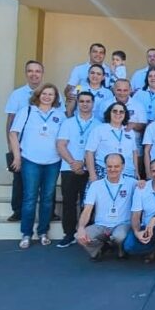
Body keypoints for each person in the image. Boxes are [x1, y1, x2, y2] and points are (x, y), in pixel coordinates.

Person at [8, 83, 64, 249]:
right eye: (44, 93)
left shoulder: (60, 115)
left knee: (47, 198)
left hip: (53, 162)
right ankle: (26, 233)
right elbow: (13, 133)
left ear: (55, 98)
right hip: (30, 160)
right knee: (30, 197)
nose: (47, 97)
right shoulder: (27, 111)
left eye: (51, 94)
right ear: (38, 95)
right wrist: (17, 157)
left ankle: (43, 232)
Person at [4, 60, 48, 222]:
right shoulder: (17, 94)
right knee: (19, 180)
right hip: (22, 146)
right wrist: (11, 146)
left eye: (37, 71)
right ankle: (18, 210)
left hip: (46, 147)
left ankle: (48, 212)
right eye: (30, 71)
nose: (34, 74)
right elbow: (10, 120)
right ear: (26, 73)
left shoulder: (50, 93)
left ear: (42, 74)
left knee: (46, 182)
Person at [56, 91, 100, 247]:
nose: (85, 104)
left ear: (93, 104)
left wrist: (84, 164)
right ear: (78, 103)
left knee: (88, 203)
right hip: (69, 168)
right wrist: (74, 163)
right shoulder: (68, 123)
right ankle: (68, 234)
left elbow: (99, 150)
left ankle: (86, 233)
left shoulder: (99, 124)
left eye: (88, 101)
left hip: (90, 169)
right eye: (82, 101)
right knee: (69, 201)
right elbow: (61, 145)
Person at [75, 153, 137, 261]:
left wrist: (143, 184)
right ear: (105, 166)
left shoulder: (132, 183)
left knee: (119, 236)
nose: (112, 169)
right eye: (109, 166)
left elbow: (149, 188)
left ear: (123, 166)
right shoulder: (96, 185)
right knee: (79, 236)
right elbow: (87, 210)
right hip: (101, 225)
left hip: (122, 224)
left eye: (116, 166)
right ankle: (101, 247)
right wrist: (81, 228)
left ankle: (120, 249)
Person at [85, 101, 141, 181]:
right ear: (109, 113)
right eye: (115, 111)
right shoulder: (99, 129)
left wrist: (136, 171)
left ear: (125, 114)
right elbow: (89, 152)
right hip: (105, 171)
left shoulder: (129, 131)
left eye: (121, 111)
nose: (118, 113)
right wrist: (92, 174)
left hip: (128, 172)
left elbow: (134, 152)